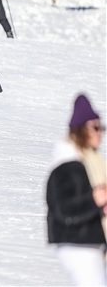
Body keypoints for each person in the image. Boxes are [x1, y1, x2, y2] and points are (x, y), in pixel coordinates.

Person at [47, 94, 107, 286]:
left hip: (91, 242)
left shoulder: (90, 162)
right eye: (95, 127)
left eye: (102, 128)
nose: (101, 132)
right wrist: (95, 200)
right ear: (81, 130)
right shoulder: (66, 165)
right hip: (77, 244)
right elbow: (63, 209)